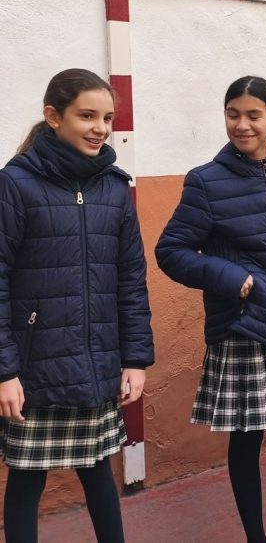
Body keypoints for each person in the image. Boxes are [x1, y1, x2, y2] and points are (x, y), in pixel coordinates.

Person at [155, 76, 266, 543]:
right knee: (247, 439)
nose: (242, 124)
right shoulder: (206, 181)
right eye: (233, 114)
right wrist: (232, 279)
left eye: (254, 115)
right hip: (242, 328)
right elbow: (171, 251)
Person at [0, 69, 154, 543]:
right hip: (35, 368)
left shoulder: (115, 187)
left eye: (106, 118)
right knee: (27, 478)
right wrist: (5, 372)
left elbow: (130, 279)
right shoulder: (14, 184)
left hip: (97, 361)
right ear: (53, 117)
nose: (100, 128)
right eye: (87, 116)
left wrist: (135, 359)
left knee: (98, 470)